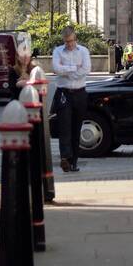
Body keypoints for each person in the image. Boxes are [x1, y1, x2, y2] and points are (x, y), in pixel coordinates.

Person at [51, 25, 92, 172]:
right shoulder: (57, 51)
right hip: (64, 93)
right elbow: (56, 69)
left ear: (76, 39)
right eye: (67, 41)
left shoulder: (84, 51)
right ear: (64, 40)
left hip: (80, 93)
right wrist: (75, 68)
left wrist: (66, 70)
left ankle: (74, 162)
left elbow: (86, 69)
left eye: (72, 41)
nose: (69, 44)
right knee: (64, 127)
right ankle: (65, 158)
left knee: (76, 129)